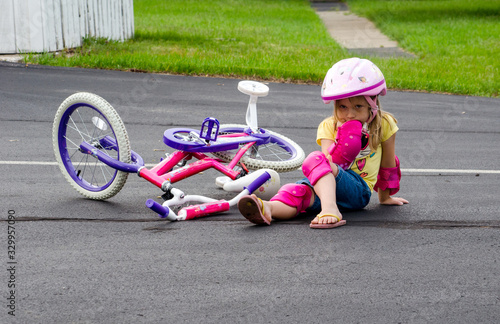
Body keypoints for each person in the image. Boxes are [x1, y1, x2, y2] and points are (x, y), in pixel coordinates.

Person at [237, 57, 408, 229]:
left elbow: (388, 163)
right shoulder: (328, 126)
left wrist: (385, 198)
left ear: (373, 106)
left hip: (358, 191)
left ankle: (330, 209)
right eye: (343, 107)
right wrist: (342, 137)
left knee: (315, 159)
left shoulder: (383, 124)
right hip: (329, 187)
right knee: (297, 192)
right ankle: (267, 208)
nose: (349, 115)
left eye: (358, 107)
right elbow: (329, 161)